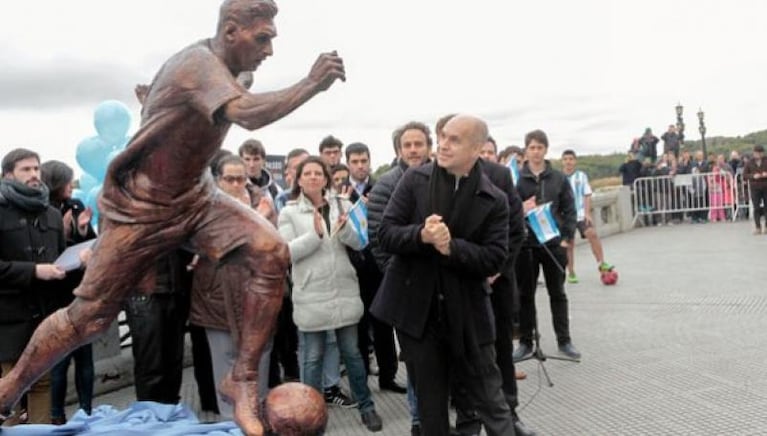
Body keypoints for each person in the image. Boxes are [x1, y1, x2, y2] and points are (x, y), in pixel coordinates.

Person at [0, 2, 346, 434]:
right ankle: (6, 391)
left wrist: (155, 105)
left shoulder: (226, 70)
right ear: (232, 31)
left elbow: (192, 112)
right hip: (141, 210)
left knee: (270, 251)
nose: (270, 50)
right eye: (263, 38)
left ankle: (241, 378)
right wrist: (312, 82)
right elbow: (249, 114)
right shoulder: (198, 66)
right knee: (88, 319)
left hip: (197, 199)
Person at [372, 114, 515, 436]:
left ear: (477, 149)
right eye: (443, 137)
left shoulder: (494, 198)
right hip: (416, 312)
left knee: (490, 399)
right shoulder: (414, 181)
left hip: (467, 310)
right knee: (431, 405)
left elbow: (495, 258)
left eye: (454, 140)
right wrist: (421, 235)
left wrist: (454, 248)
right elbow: (385, 234)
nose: (444, 145)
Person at [277, 156, 383, 432]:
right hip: (311, 294)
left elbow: (360, 242)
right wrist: (314, 235)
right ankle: (311, 415)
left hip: (344, 290)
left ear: (325, 178)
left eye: (318, 173)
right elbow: (286, 252)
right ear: (298, 179)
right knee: (312, 358)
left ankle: (366, 406)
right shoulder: (288, 212)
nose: (313, 177)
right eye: (307, 173)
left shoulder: (342, 204)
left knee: (353, 354)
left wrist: (346, 228)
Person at [189, 155, 275, 419]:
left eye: (242, 179)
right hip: (217, 300)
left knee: (258, 363)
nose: (237, 184)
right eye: (231, 179)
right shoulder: (203, 208)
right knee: (225, 367)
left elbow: (276, 245)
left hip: (257, 299)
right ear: (217, 180)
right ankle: (230, 423)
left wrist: (258, 217)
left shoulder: (264, 204)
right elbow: (205, 243)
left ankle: (257, 418)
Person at [367, 121, 432, 436]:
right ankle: (419, 418)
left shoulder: (444, 179)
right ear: (398, 150)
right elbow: (379, 241)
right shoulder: (385, 186)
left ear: (429, 147)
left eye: (419, 144)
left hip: (443, 285)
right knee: (415, 360)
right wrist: (403, 277)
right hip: (405, 287)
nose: (414, 150)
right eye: (407, 145)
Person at [0, 149, 67, 425]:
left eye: (36, 169)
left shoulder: (51, 214)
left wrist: (81, 258)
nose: (34, 175)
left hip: (45, 317)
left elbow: (61, 261)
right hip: (8, 318)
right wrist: (34, 271)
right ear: (7, 175)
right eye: (26, 170)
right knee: (9, 388)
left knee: (42, 384)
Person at [512, 130, 580, 362]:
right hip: (526, 244)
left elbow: (570, 210)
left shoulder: (559, 178)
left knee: (558, 293)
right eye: (531, 147)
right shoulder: (516, 179)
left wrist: (565, 238)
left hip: (552, 244)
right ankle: (525, 342)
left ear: (545, 150)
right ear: (526, 150)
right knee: (525, 296)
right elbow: (509, 210)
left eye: (540, 147)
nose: (536, 151)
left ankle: (564, 340)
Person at [40, 160, 96, 424]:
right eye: (66, 182)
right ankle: (56, 415)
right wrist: (62, 232)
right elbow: (47, 252)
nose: (70, 187)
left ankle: (87, 411)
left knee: (85, 358)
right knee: (59, 362)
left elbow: (91, 243)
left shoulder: (76, 206)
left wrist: (83, 229)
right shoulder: (43, 210)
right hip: (55, 294)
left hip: (79, 290)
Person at [560, 150, 614, 284]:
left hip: (580, 214)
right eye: (565, 159)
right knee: (569, 244)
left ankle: (602, 263)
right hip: (566, 216)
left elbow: (587, 194)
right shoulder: (559, 177)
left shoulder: (581, 176)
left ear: (575, 161)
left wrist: (587, 212)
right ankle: (571, 271)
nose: (568, 162)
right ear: (562, 161)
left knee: (592, 233)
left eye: (571, 159)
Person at [743, 144, 767, 234]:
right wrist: (753, 176)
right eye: (756, 153)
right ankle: (758, 227)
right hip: (755, 187)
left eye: (759, 153)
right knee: (756, 207)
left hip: (765, 186)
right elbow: (744, 175)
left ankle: (766, 227)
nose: (757, 155)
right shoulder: (749, 162)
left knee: (766, 207)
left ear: (762, 153)